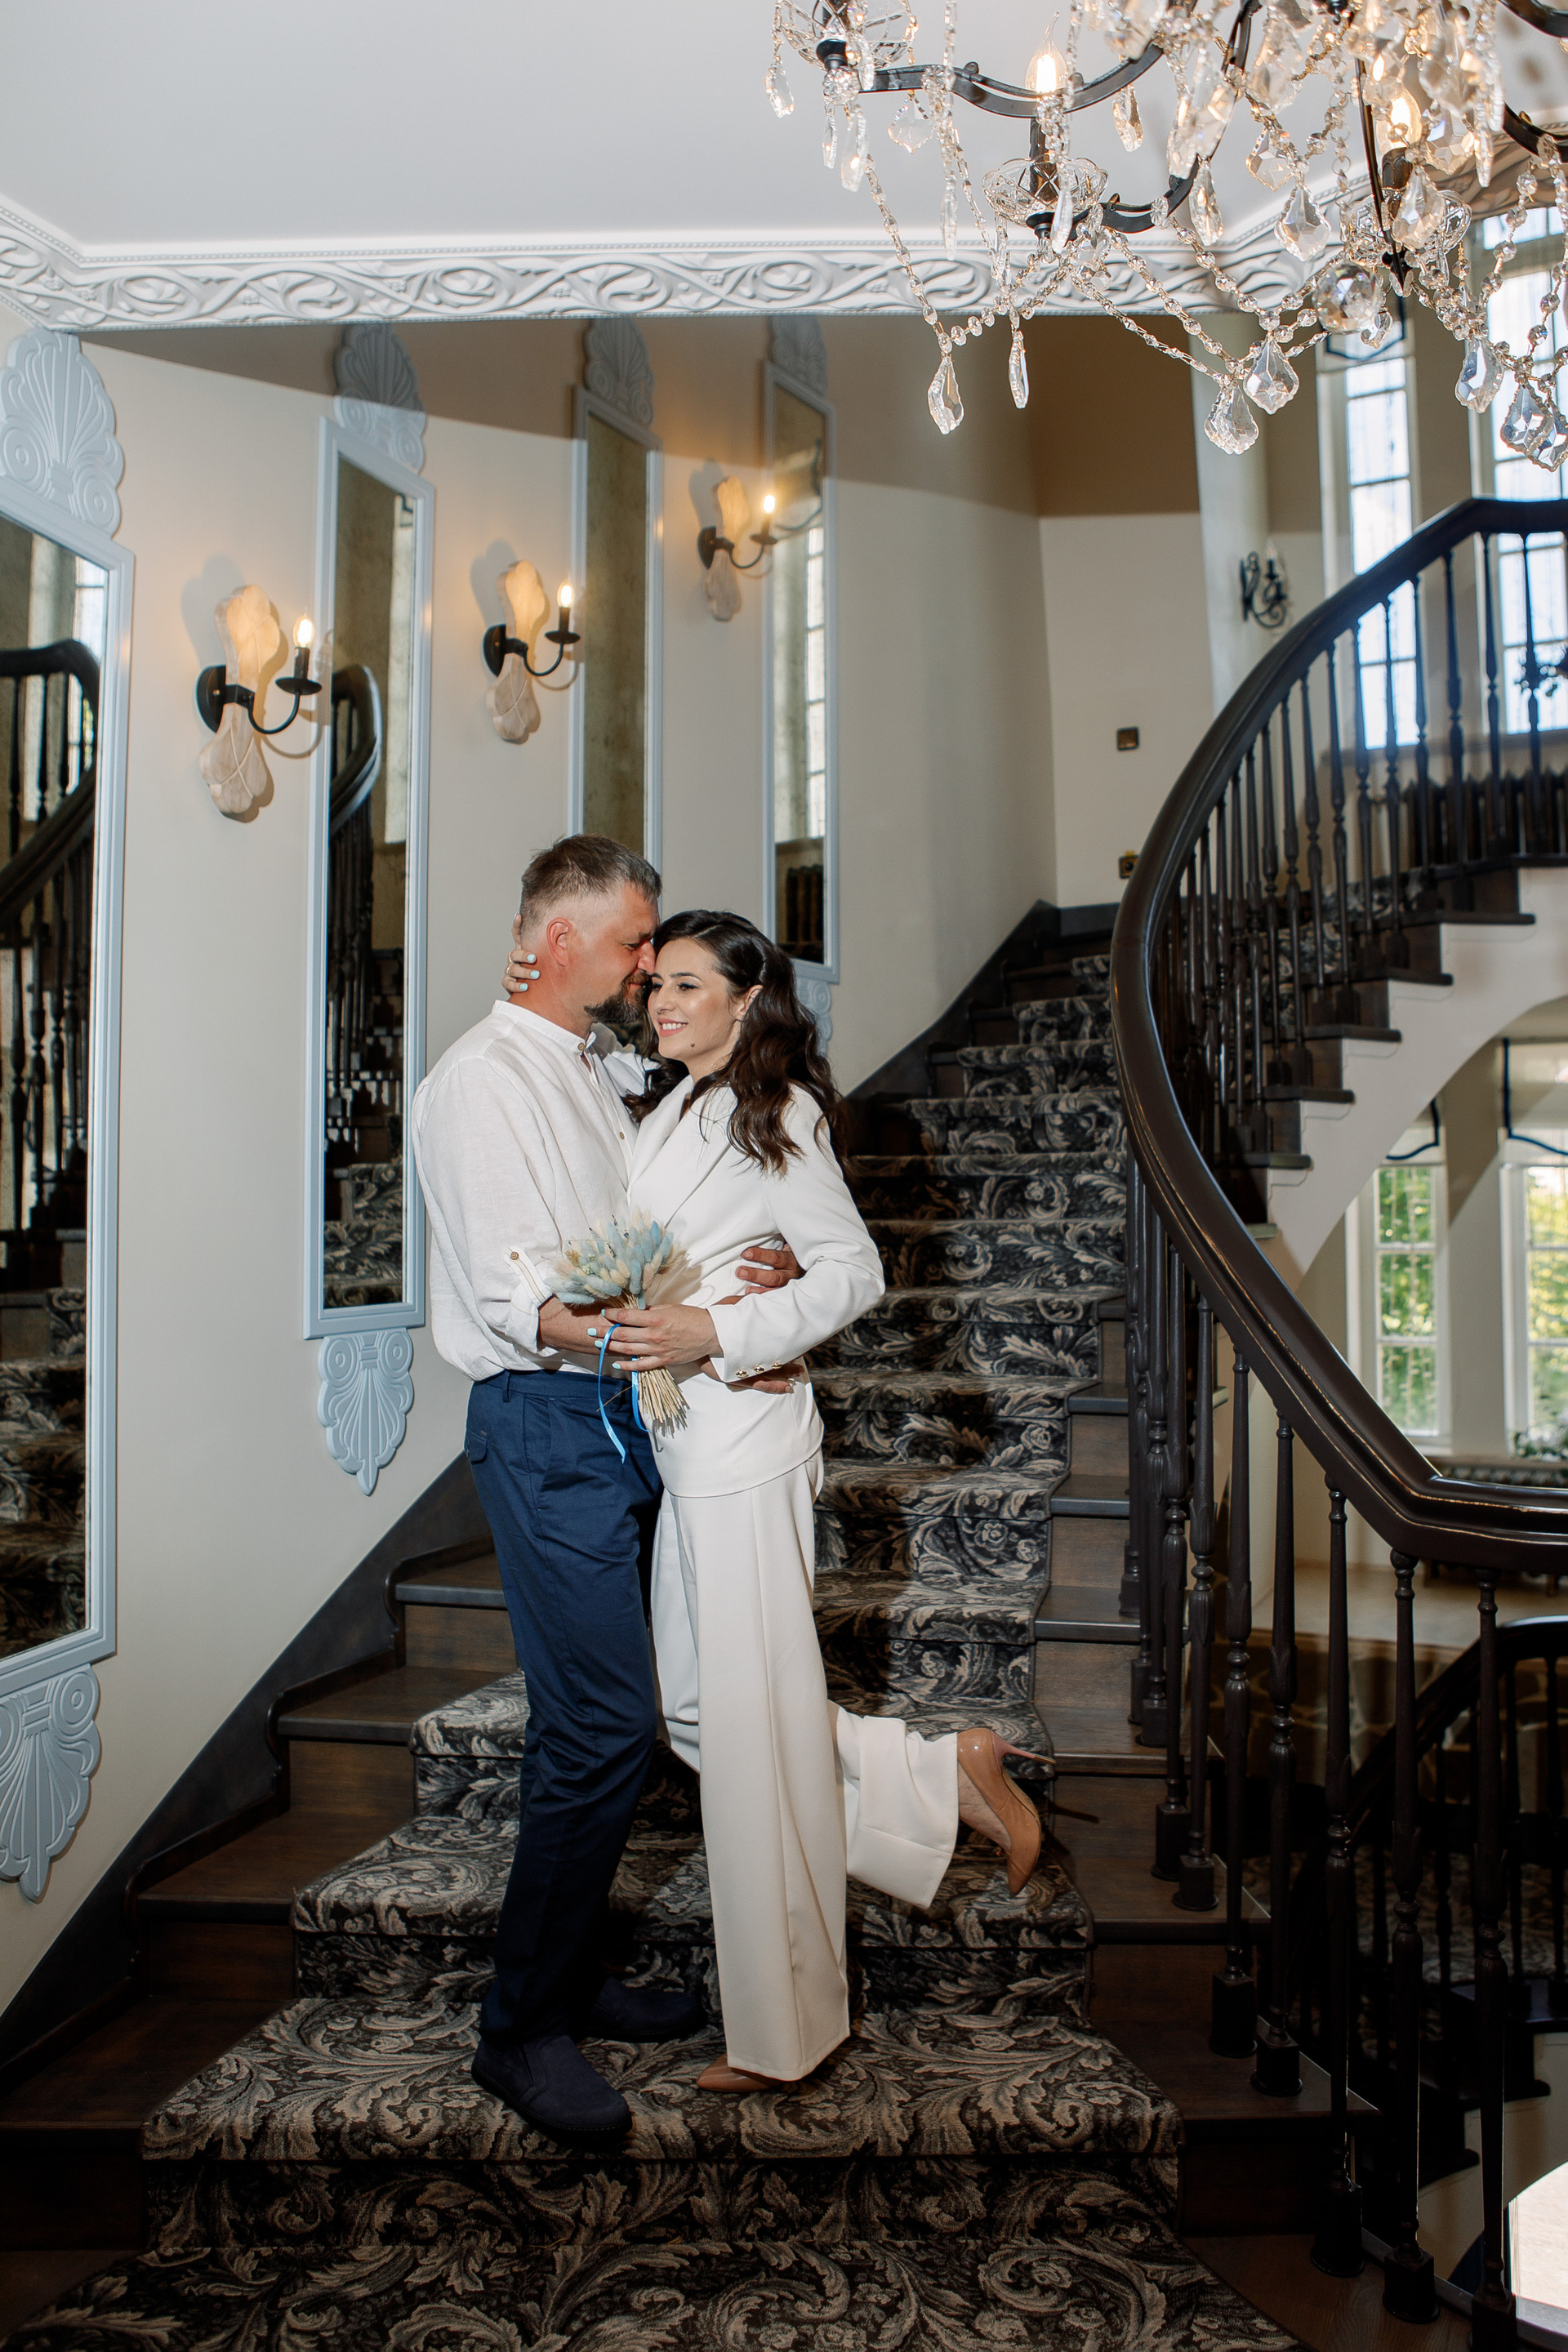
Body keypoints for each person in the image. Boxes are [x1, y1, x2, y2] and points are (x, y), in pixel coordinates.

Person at [582, 910, 1044, 2091]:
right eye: (655, 985)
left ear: (749, 1000)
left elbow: (853, 1270)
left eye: (688, 985)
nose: (661, 1003)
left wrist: (724, 1331)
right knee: (696, 1713)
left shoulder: (774, 1109)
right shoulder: (672, 1105)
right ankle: (938, 1775)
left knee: (746, 1735)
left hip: (744, 1441)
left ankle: (787, 2032)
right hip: (681, 1442)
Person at [411, 835, 802, 2147]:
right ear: (560, 939)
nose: (650, 966)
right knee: (602, 1725)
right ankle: (518, 2030)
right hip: (547, 1424)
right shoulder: (480, 1083)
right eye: (637, 942)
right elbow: (518, 1299)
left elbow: (690, 1195)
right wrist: (691, 1333)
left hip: (632, 1412)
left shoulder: (597, 1065)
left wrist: (742, 1280)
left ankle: (574, 1975)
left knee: (621, 1716)